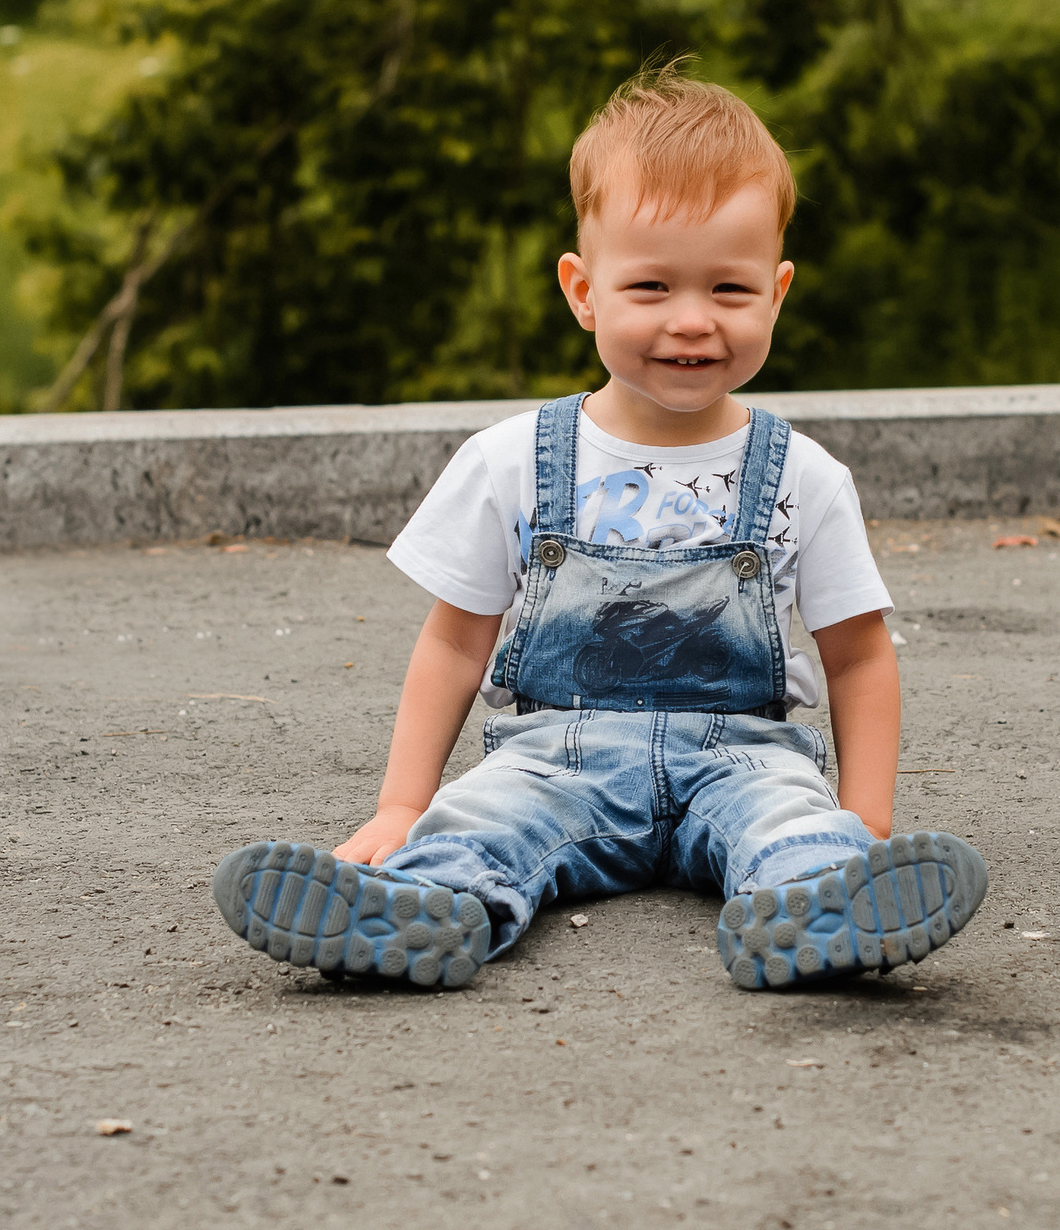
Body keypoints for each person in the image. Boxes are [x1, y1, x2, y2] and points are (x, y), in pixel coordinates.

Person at [211, 65, 986, 990]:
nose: (692, 321)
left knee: (796, 827)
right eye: (651, 286)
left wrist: (866, 824)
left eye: (730, 291)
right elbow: (455, 645)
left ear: (778, 291)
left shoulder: (805, 478)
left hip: (742, 756)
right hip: (555, 758)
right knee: (482, 824)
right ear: (583, 291)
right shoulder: (512, 461)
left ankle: (830, 907)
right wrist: (401, 806)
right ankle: (411, 918)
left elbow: (859, 657)